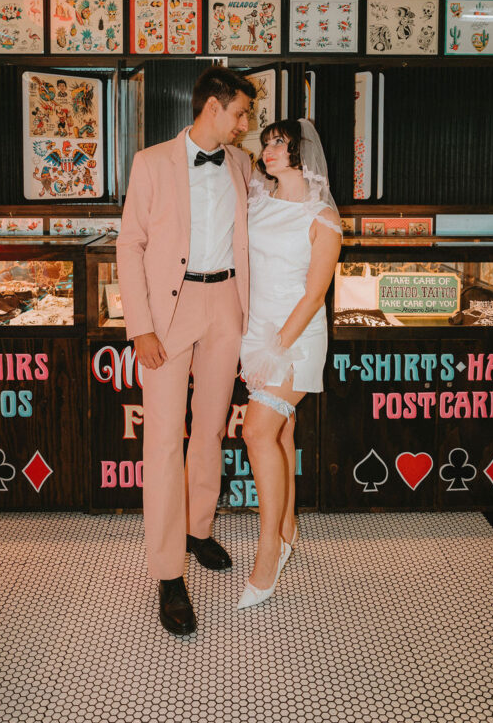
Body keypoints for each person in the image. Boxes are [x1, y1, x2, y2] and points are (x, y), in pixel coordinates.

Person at [116, 67, 255, 635]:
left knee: (211, 427)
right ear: (213, 108)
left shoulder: (241, 164)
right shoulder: (152, 162)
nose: (246, 124)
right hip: (169, 314)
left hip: (226, 302)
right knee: (164, 439)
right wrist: (141, 327)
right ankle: (168, 574)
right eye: (241, 113)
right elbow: (130, 246)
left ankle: (199, 528)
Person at [237, 118, 342, 608]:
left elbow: (314, 293)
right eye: (267, 143)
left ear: (303, 151)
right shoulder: (258, 202)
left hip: (296, 337)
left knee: (256, 432)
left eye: (280, 142)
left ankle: (269, 550)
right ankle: (289, 525)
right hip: (256, 328)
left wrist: (275, 347)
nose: (270, 150)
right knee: (280, 432)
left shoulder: (322, 219)